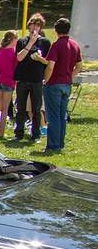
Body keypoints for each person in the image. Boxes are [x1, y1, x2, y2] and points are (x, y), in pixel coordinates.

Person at [43, 18, 83, 152]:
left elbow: (50, 66)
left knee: (53, 115)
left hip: (54, 83)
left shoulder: (56, 45)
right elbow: (79, 66)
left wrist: (46, 80)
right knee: (62, 115)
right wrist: (70, 77)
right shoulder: (75, 45)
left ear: (56, 30)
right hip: (66, 83)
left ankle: (53, 145)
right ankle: (60, 143)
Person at [13, 13, 51, 142]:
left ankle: (36, 134)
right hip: (23, 78)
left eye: (39, 26)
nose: (36, 28)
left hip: (37, 79)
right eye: (34, 25)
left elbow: (48, 62)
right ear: (29, 25)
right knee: (20, 108)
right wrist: (31, 43)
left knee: (36, 108)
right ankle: (18, 133)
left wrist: (40, 58)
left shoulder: (45, 42)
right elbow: (19, 57)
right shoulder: (21, 41)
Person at [0, 30, 19, 137]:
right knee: (5, 107)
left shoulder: (0, 51)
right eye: (16, 39)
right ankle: (1, 132)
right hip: (9, 82)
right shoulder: (14, 53)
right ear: (11, 39)